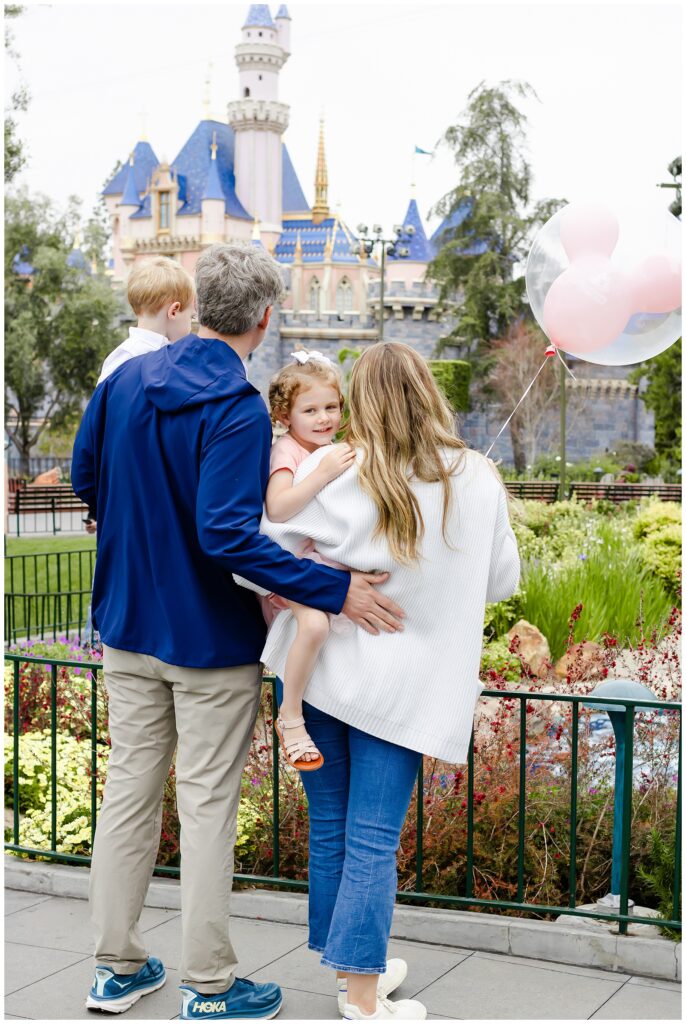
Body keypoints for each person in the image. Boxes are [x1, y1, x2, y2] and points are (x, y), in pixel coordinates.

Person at [71, 243, 404, 1021]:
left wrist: (137, 540)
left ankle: (116, 968)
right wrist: (336, 588)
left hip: (127, 630)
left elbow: (90, 478)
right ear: (265, 316)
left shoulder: (124, 379)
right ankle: (211, 986)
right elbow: (226, 534)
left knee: (129, 795)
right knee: (208, 806)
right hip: (209, 642)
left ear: (193, 302)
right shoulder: (235, 408)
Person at [245, 342, 520, 1020]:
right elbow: (502, 581)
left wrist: (332, 584)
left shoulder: (334, 470)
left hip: (316, 679)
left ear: (359, 400)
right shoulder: (476, 477)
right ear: (430, 392)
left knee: (334, 826)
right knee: (372, 837)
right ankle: (363, 998)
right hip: (402, 688)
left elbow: (254, 558)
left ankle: (350, 970)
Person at [262, 351, 355, 770]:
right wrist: (322, 473)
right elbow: (279, 508)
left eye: (331, 407)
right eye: (310, 410)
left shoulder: (330, 448)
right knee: (315, 623)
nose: (323, 419)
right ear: (285, 416)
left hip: (316, 558)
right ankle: (290, 715)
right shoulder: (287, 452)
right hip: (285, 563)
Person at [97, 255, 195, 385]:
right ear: (174, 311)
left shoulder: (121, 358)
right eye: (191, 317)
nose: (190, 326)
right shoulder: (127, 358)